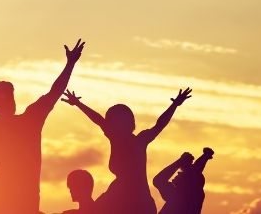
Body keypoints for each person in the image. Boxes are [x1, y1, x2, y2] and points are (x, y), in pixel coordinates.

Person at [0, 40, 86, 214]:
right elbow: (54, 92)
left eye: (8, 97)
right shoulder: (29, 119)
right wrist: (70, 64)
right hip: (18, 203)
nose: (7, 101)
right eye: (5, 98)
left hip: (11, 204)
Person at [60, 87, 192, 214]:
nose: (108, 125)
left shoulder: (138, 140)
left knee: (94, 209)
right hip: (127, 198)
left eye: (111, 121)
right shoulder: (124, 138)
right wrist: (78, 104)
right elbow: (98, 120)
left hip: (135, 202)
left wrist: (174, 105)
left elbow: (160, 124)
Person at [155, 148, 214, 214]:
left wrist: (180, 162)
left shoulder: (179, 196)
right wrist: (205, 156)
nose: (178, 173)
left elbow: (158, 180)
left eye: (181, 173)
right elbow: (195, 171)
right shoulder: (194, 195)